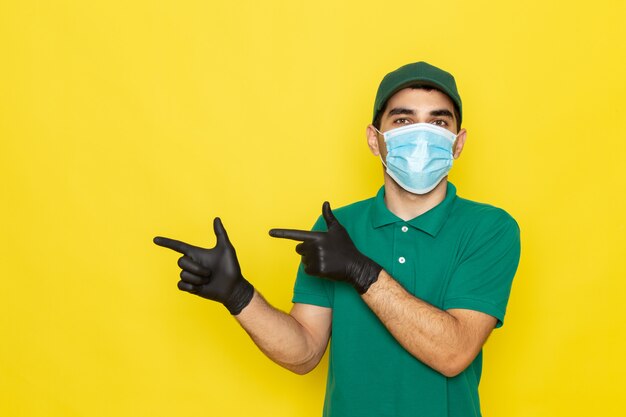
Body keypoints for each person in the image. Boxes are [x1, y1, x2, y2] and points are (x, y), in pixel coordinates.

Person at [154, 61, 521, 417]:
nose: (421, 135)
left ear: (457, 144)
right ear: (375, 140)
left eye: (438, 121)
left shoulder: (490, 229)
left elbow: (453, 353)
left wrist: (361, 271)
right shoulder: (339, 228)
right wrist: (238, 295)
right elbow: (304, 352)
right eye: (403, 120)